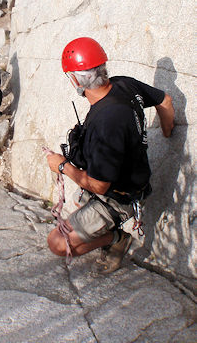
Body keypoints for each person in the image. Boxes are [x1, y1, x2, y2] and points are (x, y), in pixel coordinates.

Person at [44, 37, 174, 273]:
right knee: (76, 202)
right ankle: (99, 221)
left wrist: (62, 166)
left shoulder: (106, 124)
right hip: (129, 178)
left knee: (57, 243)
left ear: (74, 79)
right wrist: (168, 132)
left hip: (118, 196)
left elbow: (99, 186)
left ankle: (116, 239)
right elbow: (165, 101)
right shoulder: (124, 85)